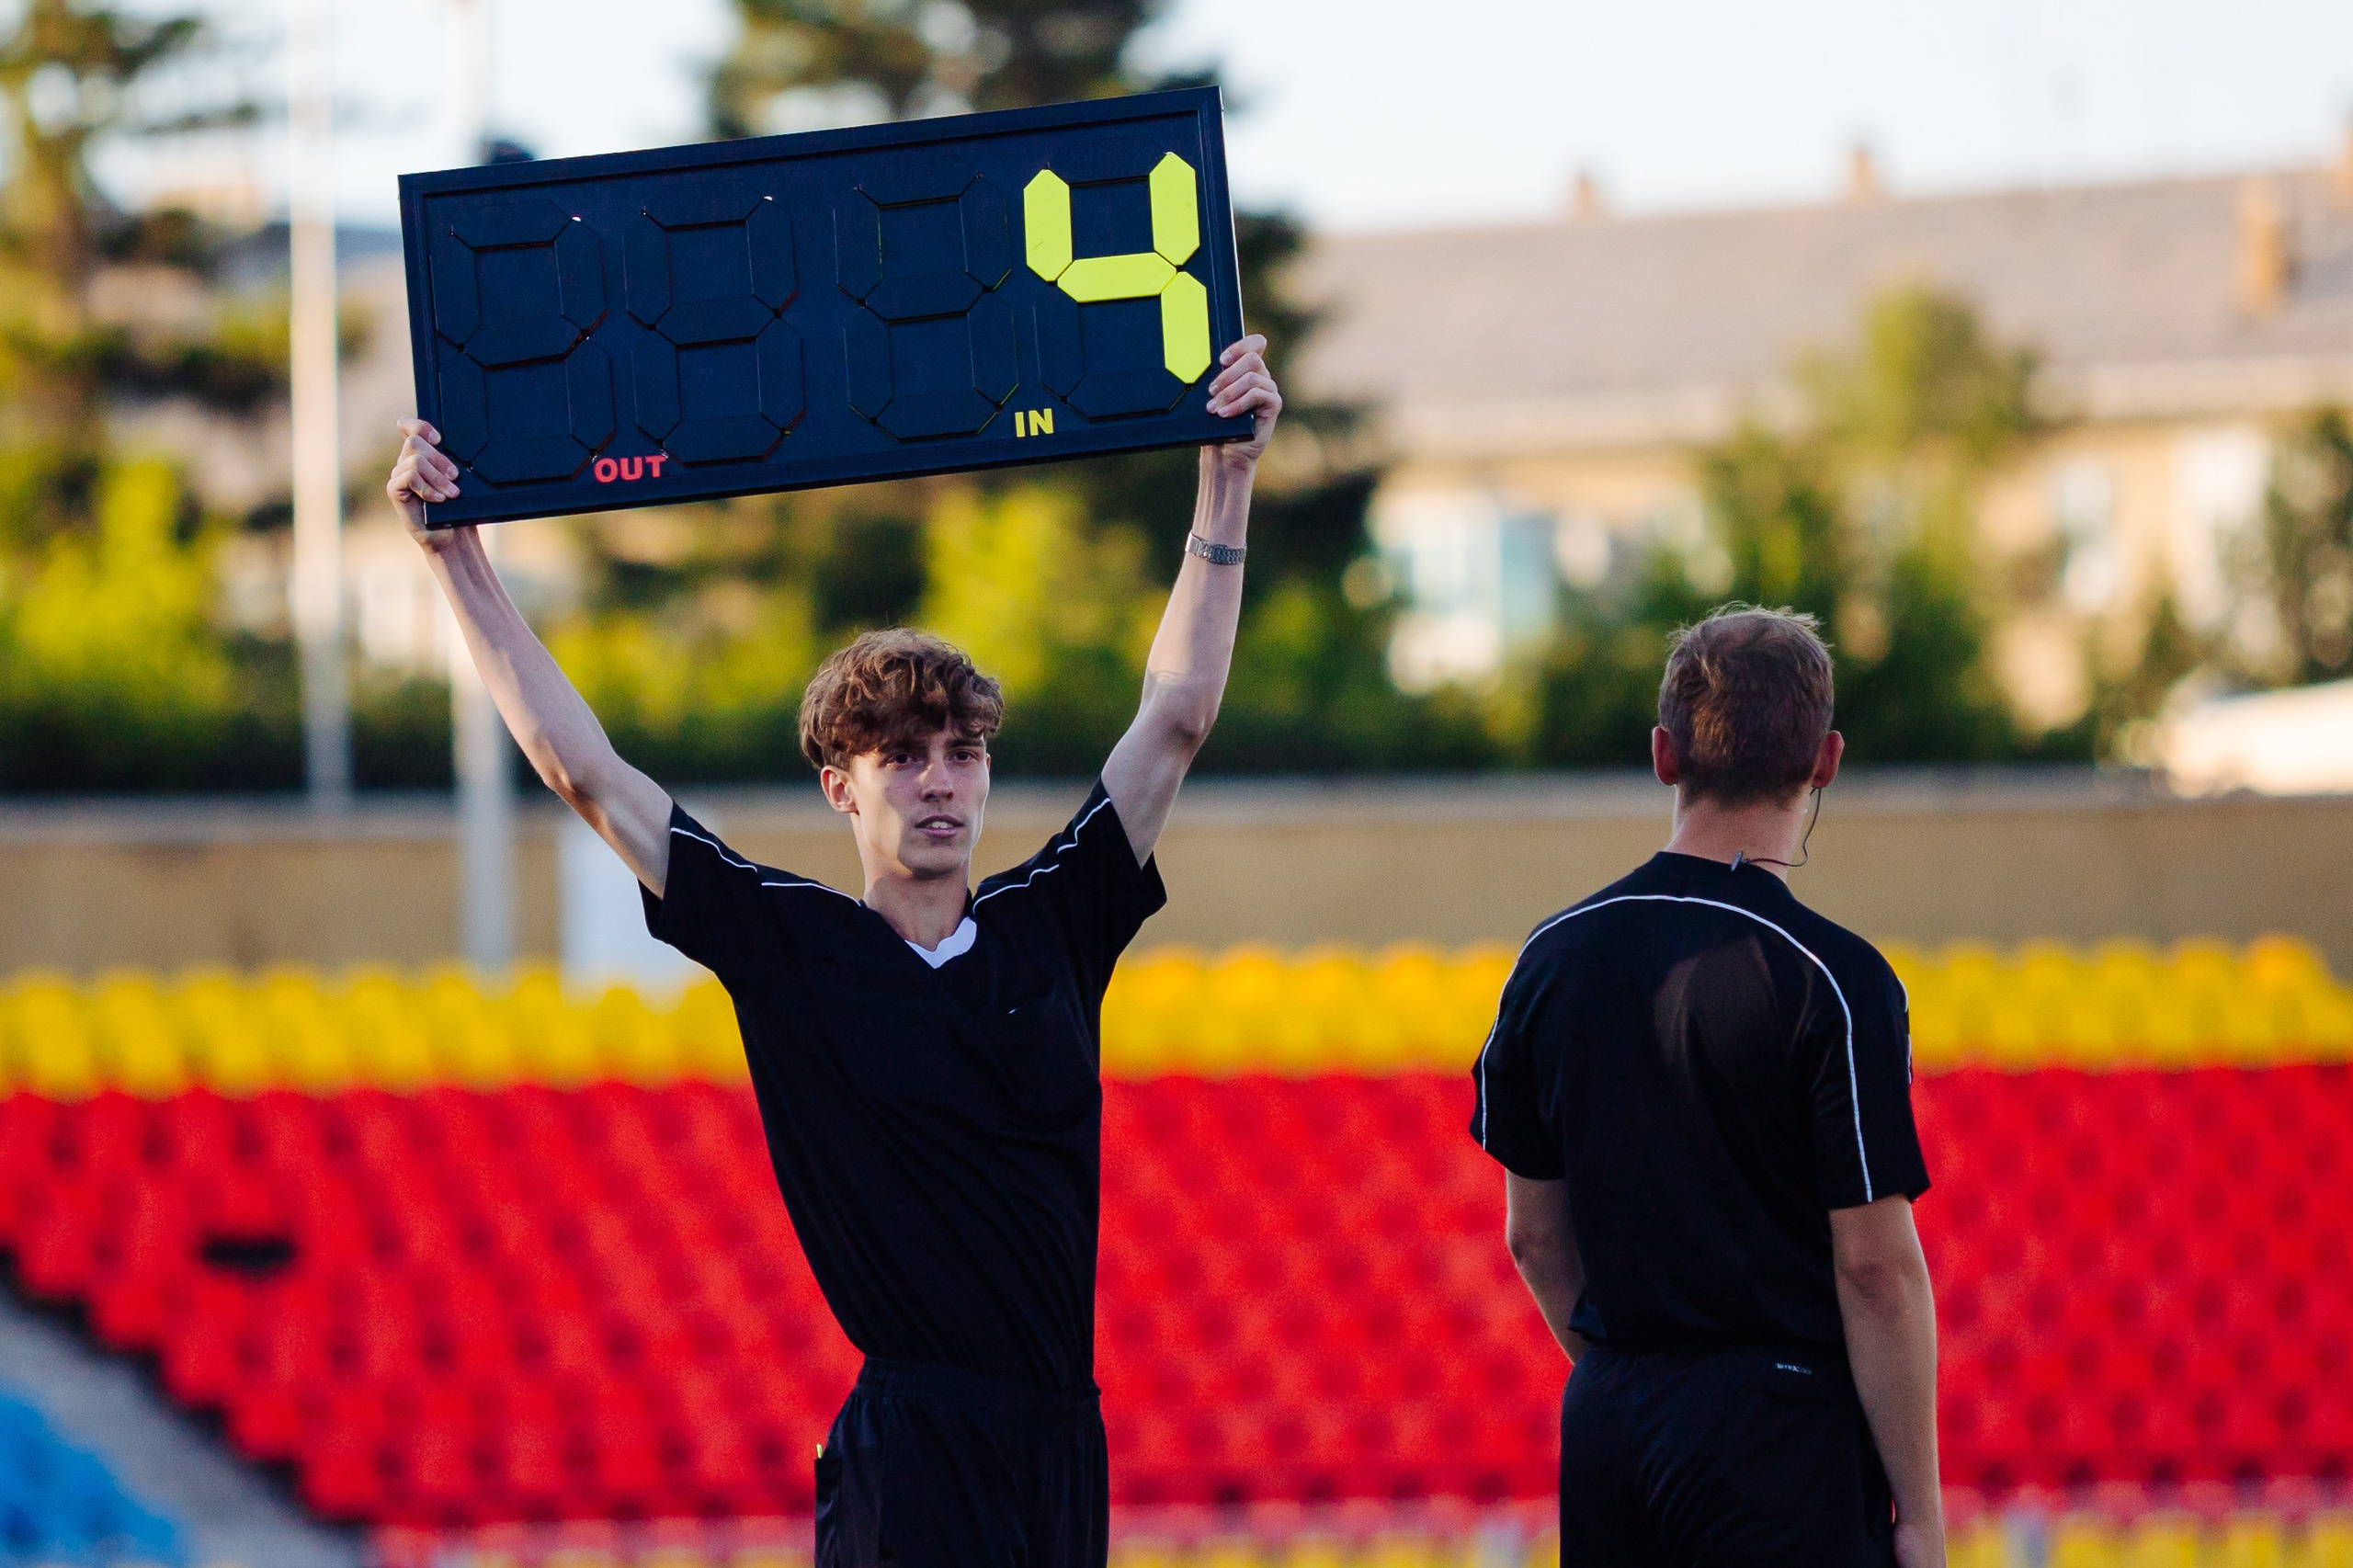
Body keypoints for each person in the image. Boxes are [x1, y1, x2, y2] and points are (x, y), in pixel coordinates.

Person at [385, 339, 1282, 1566]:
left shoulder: (1056, 915)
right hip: (912, 1452)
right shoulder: (789, 942)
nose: (940, 780)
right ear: (838, 786)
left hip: (1063, 1443)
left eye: (962, 751)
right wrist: (457, 559)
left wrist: (1224, 479)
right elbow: (584, 774)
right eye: (903, 754)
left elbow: (1176, 713)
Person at [1470, 607, 1942, 1567]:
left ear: (1662, 753)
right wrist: (1921, 1515)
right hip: (1778, 1427)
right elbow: (1874, 1269)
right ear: (1825, 760)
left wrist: (1639, 1378)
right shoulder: (1834, 977)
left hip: (1609, 1420)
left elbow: (1531, 1233)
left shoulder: (1550, 957)